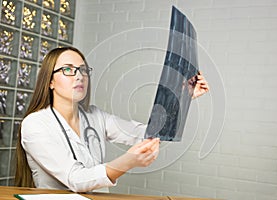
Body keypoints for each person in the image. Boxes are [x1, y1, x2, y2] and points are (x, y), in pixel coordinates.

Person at [15, 46, 209, 192]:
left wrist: (184, 97)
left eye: (83, 70)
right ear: (50, 81)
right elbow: (75, 179)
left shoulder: (95, 116)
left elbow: (148, 133)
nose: (79, 76)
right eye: (68, 70)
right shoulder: (35, 124)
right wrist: (128, 161)